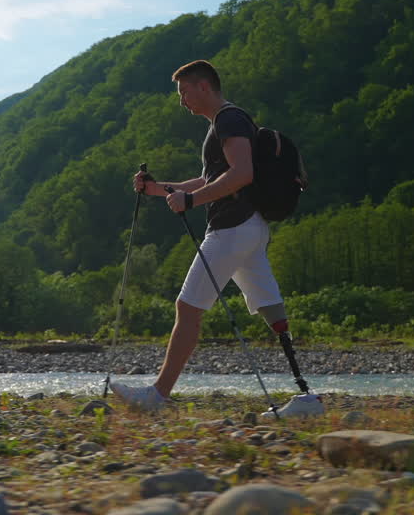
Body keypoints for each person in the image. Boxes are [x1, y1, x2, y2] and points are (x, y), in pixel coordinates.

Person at [109, 59, 324, 417]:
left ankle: (157, 396)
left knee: (188, 307)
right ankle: (306, 397)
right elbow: (209, 179)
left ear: (203, 86)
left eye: (184, 91)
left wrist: (190, 201)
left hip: (232, 228)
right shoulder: (225, 123)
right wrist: (157, 190)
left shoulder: (229, 119)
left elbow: (242, 174)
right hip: (249, 229)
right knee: (273, 311)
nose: (181, 101)